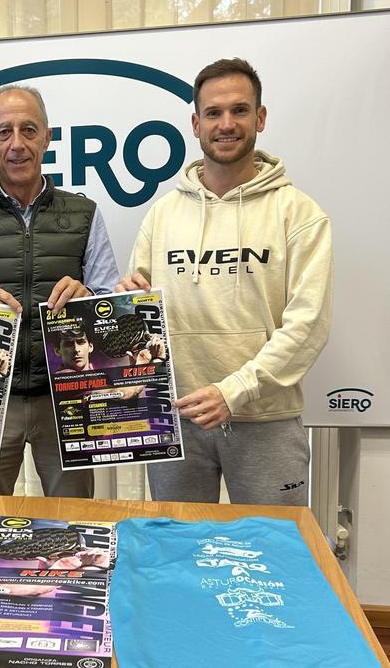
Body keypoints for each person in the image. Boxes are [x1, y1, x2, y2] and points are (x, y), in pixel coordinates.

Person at [117, 58, 332, 506]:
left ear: (261, 117)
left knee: (272, 558)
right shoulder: (164, 214)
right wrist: (131, 308)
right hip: (176, 419)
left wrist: (233, 392)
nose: (226, 124)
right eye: (213, 113)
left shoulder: (298, 213)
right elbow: (142, 309)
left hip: (265, 419)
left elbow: (308, 325)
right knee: (177, 555)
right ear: (196, 124)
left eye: (239, 110)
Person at [0, 85, 119, 498]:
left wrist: (89, 297)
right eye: (4, 132)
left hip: (65, 400)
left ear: (48, 137)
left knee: (74, 523)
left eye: (29, 130)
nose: (17, 144)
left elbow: (111, 306)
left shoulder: (85, 214)